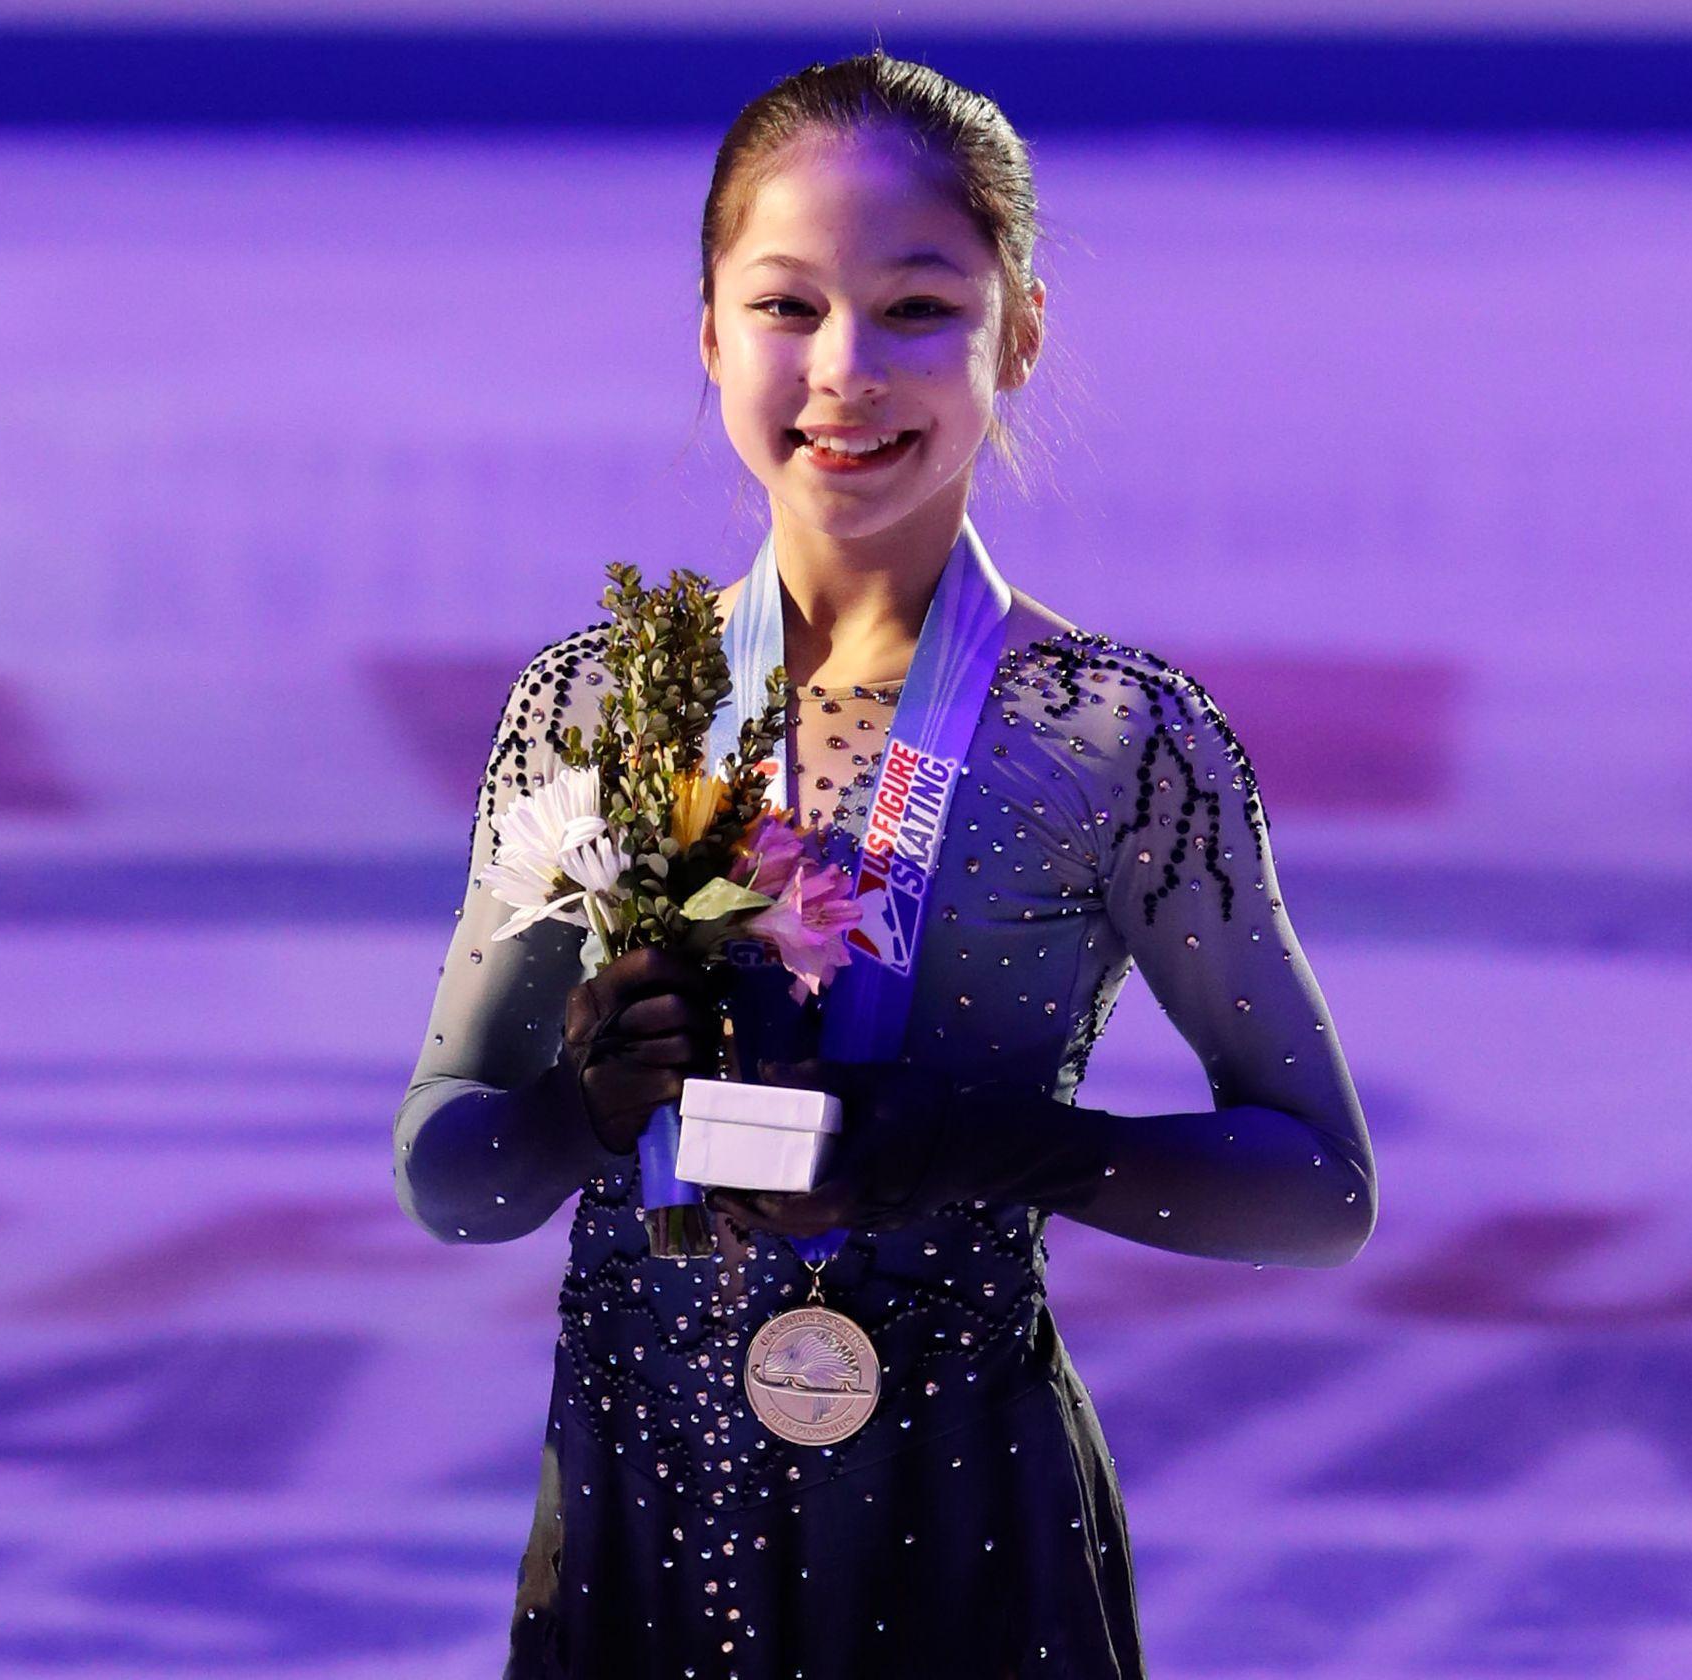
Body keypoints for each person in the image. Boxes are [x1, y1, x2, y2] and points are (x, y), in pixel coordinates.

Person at [395, 50, 1375, 1680]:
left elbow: (1319, 1195)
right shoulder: (589, 715)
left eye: (915, 307)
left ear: (1020, 334)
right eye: (786, 306)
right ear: (708, 330)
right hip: (641, 1526)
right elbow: (449, 1176)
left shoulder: (1114, 738)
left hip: (968, 1538)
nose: (844, 371)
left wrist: (989, 1146)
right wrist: (580, 1114)